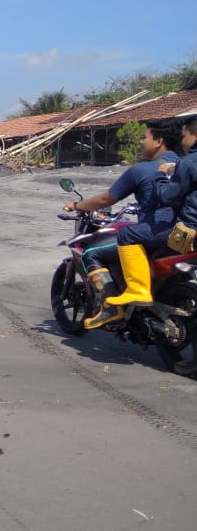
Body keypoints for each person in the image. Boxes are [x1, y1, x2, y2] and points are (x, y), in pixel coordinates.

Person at [61, 121, 180, 329]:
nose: (141, 141)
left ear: (159, 141)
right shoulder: (186, 164)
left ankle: (110, 308)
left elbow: (106, 200)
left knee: (92, 253)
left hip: (155, 233)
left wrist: (77, 204)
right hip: (183, 233)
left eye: (145, 137)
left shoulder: (142, 170)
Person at [151, 116, 197, 374]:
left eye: (184, 135)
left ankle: (146, 310)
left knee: (153, 263)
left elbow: (169, 197)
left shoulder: (189, 163)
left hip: (189, 233)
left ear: (194, 135)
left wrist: (160, 178)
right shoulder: (185, 163)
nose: (182, 140)